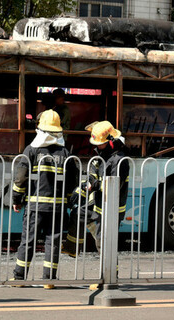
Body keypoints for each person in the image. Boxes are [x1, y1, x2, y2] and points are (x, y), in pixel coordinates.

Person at [10, 109, 78, 289]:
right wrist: (70, 201)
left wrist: (17, 199)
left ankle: (19, 278)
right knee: (52, 242)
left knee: (28, 241)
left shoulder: (31, 150)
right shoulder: (65, 153)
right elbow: (72, 181)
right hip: (57, 208)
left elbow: (21, 178)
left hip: (35, 207)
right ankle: (49, 279)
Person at [62, 121, 129, 260]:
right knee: (77, 213)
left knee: (103, 242)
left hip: (111, 208)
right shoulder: (101, 155)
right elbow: (92, 175)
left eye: (99, 143)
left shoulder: (120, 161)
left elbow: (115, 186)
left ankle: (109, 277)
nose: (96, 146)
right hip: (98, 204)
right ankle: (72, 248)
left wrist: (95, 186)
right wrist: (82, 189)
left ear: (111, 141)